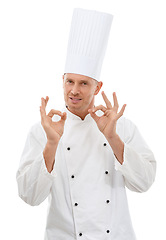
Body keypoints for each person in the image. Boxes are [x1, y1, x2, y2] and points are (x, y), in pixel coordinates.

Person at [16, 8, 156, 240]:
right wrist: (52, 144)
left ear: (97, 87)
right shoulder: (42, 131)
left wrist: (112, 137)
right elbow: (29, 197)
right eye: (70, 81)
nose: (74, 90)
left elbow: (144, 183)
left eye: (84, 83)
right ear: (62, 81)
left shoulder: (122, 127)